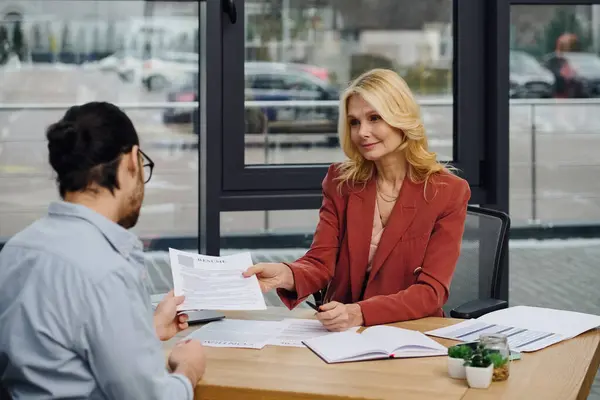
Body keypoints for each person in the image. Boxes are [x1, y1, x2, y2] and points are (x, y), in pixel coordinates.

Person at [0, 102, 206, 399]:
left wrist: (147, 330)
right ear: (132, 161)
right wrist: (189, 370)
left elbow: (60, 350)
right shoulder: (107, 272)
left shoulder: (16, 251)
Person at [244, 69, 471, 331]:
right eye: (354, 122)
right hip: (340, 334)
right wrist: (286, 274)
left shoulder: (447, 191)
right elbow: (321, 262)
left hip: (411, 332)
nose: (362, 132)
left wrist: (360, 312)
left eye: (375, 118)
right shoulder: (341, 182)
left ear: (402, 119)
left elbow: (431, 291)